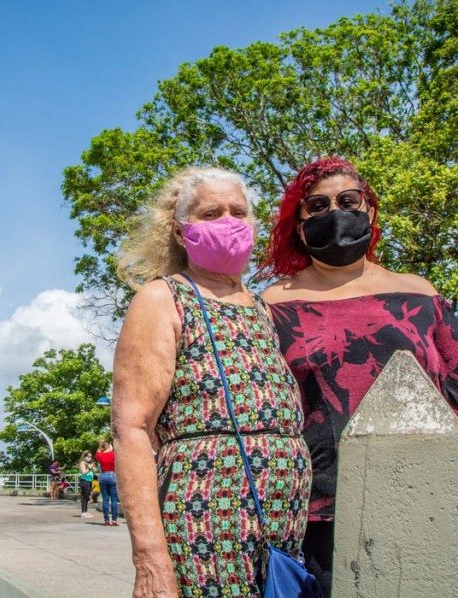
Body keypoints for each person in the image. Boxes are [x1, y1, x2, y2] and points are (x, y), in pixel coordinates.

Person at [260, 156, 458, 595]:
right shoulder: (272, 305)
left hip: (435, 500)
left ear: (370, 210)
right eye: (317, 206)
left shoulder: (421, 295)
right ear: (299, 227)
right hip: (322, 515)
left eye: (347, 200)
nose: (334, 212)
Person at [112, 167, 312, 596]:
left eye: (238, 212)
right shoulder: (163, 298)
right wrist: (149, 557)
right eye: (211, 213)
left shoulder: (262, 308)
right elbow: (132, 428)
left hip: (282, 528)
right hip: (203, 525)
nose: (228, 221)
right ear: (181, 231)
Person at [95, 440, 119, 527]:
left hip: (103, 476)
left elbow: (97, 452)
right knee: (114, 500)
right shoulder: (114, 454)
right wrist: (110, 448)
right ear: (110, 446)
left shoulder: (100, 455)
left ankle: (106, 520)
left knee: (105, 499)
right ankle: (114, 520)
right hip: (112, 475)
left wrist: (101, 445)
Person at [77, 451, 97, 519]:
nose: (90, 458)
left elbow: (95, 471)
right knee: (84, 496)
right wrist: (89, 468)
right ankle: (83, 512)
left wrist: (92, 467)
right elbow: (83, 472)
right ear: (84, 457)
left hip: (89, 481)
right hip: (84, 481)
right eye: (88, 457)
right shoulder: (82, 463)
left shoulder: (90, 463)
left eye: (90, 457)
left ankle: (85, 511)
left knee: (87, 496)